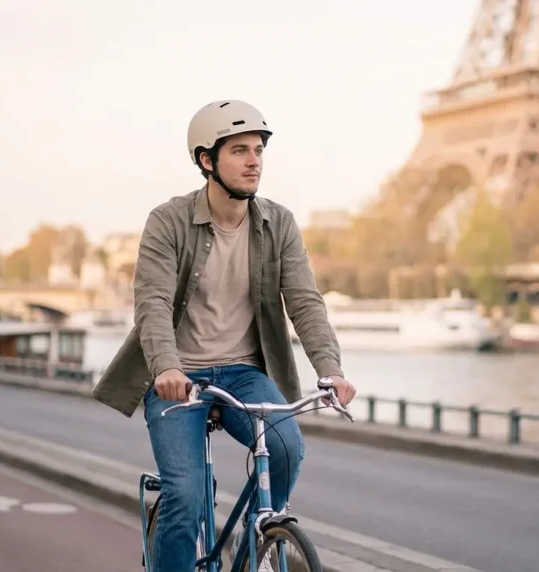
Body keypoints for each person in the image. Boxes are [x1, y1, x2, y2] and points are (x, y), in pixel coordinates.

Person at [91, 99, 356, 571]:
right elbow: (152, 303)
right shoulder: (168, 221)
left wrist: (330, 370)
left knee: (287, 449)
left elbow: (304, 302)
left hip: (243, 372)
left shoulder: (279, 223)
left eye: (258, 150)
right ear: (206, 160)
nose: (254, 161)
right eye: (239, 151)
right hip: (177, 378)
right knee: (186, 496)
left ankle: (256, 540)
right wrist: (166, 367)